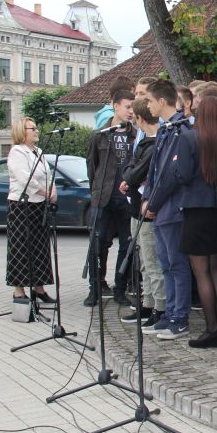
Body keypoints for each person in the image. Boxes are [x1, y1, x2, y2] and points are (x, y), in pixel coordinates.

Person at [175, 94, 217, 348]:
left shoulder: (188, 138)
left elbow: (183, 174)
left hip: (196, 209)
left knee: (201, 271)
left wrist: (176, 165)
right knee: (215, 268)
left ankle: (212, 328)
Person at [142, 80, 193, 340]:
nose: (147, 105)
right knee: (165, 263)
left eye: (149, 100)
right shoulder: (164, 130)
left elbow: (172, 174)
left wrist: (154, 202)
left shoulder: (180, 130)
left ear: (162, 101)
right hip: (160, 208)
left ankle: (179, 317)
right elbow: (154, 170)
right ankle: (169, 312)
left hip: (173, 208)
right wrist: (147, 197)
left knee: (176, 263)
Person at [84, 89, 136, 308]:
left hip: (126, 199)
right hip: (103, 197)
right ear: (115, 106)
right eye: (127, 107)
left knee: (127, 244)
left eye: (133, 107)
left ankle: (121, 288)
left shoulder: (136, 135)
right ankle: (95, 288)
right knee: (98, 243)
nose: (131, 112)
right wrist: (96, 191)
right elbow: (91, 166)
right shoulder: (100, 135)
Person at [119, 97, 165, 327]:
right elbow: (128, 167)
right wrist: (129, 173)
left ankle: (160, 307)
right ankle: (147, 303)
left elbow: (133, 174)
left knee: (153, 261)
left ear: (138, 118)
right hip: (136, 208)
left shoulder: (156, 142)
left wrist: (129, 175)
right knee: (144, 262)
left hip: (148, 210)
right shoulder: (142, 143)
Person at [6, 117, 56, 306]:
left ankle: (39, 289)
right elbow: (24, 178)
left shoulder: (39, 152)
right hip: (22, 205)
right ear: (22, 131)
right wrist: (43, 191)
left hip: (40, 205)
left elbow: (48, 174)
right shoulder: (17, 152)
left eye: (36, 127)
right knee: (21, 247)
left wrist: (53, 191)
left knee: (40, 247)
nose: (36, 131)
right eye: (32, 128)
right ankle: (18, 291)